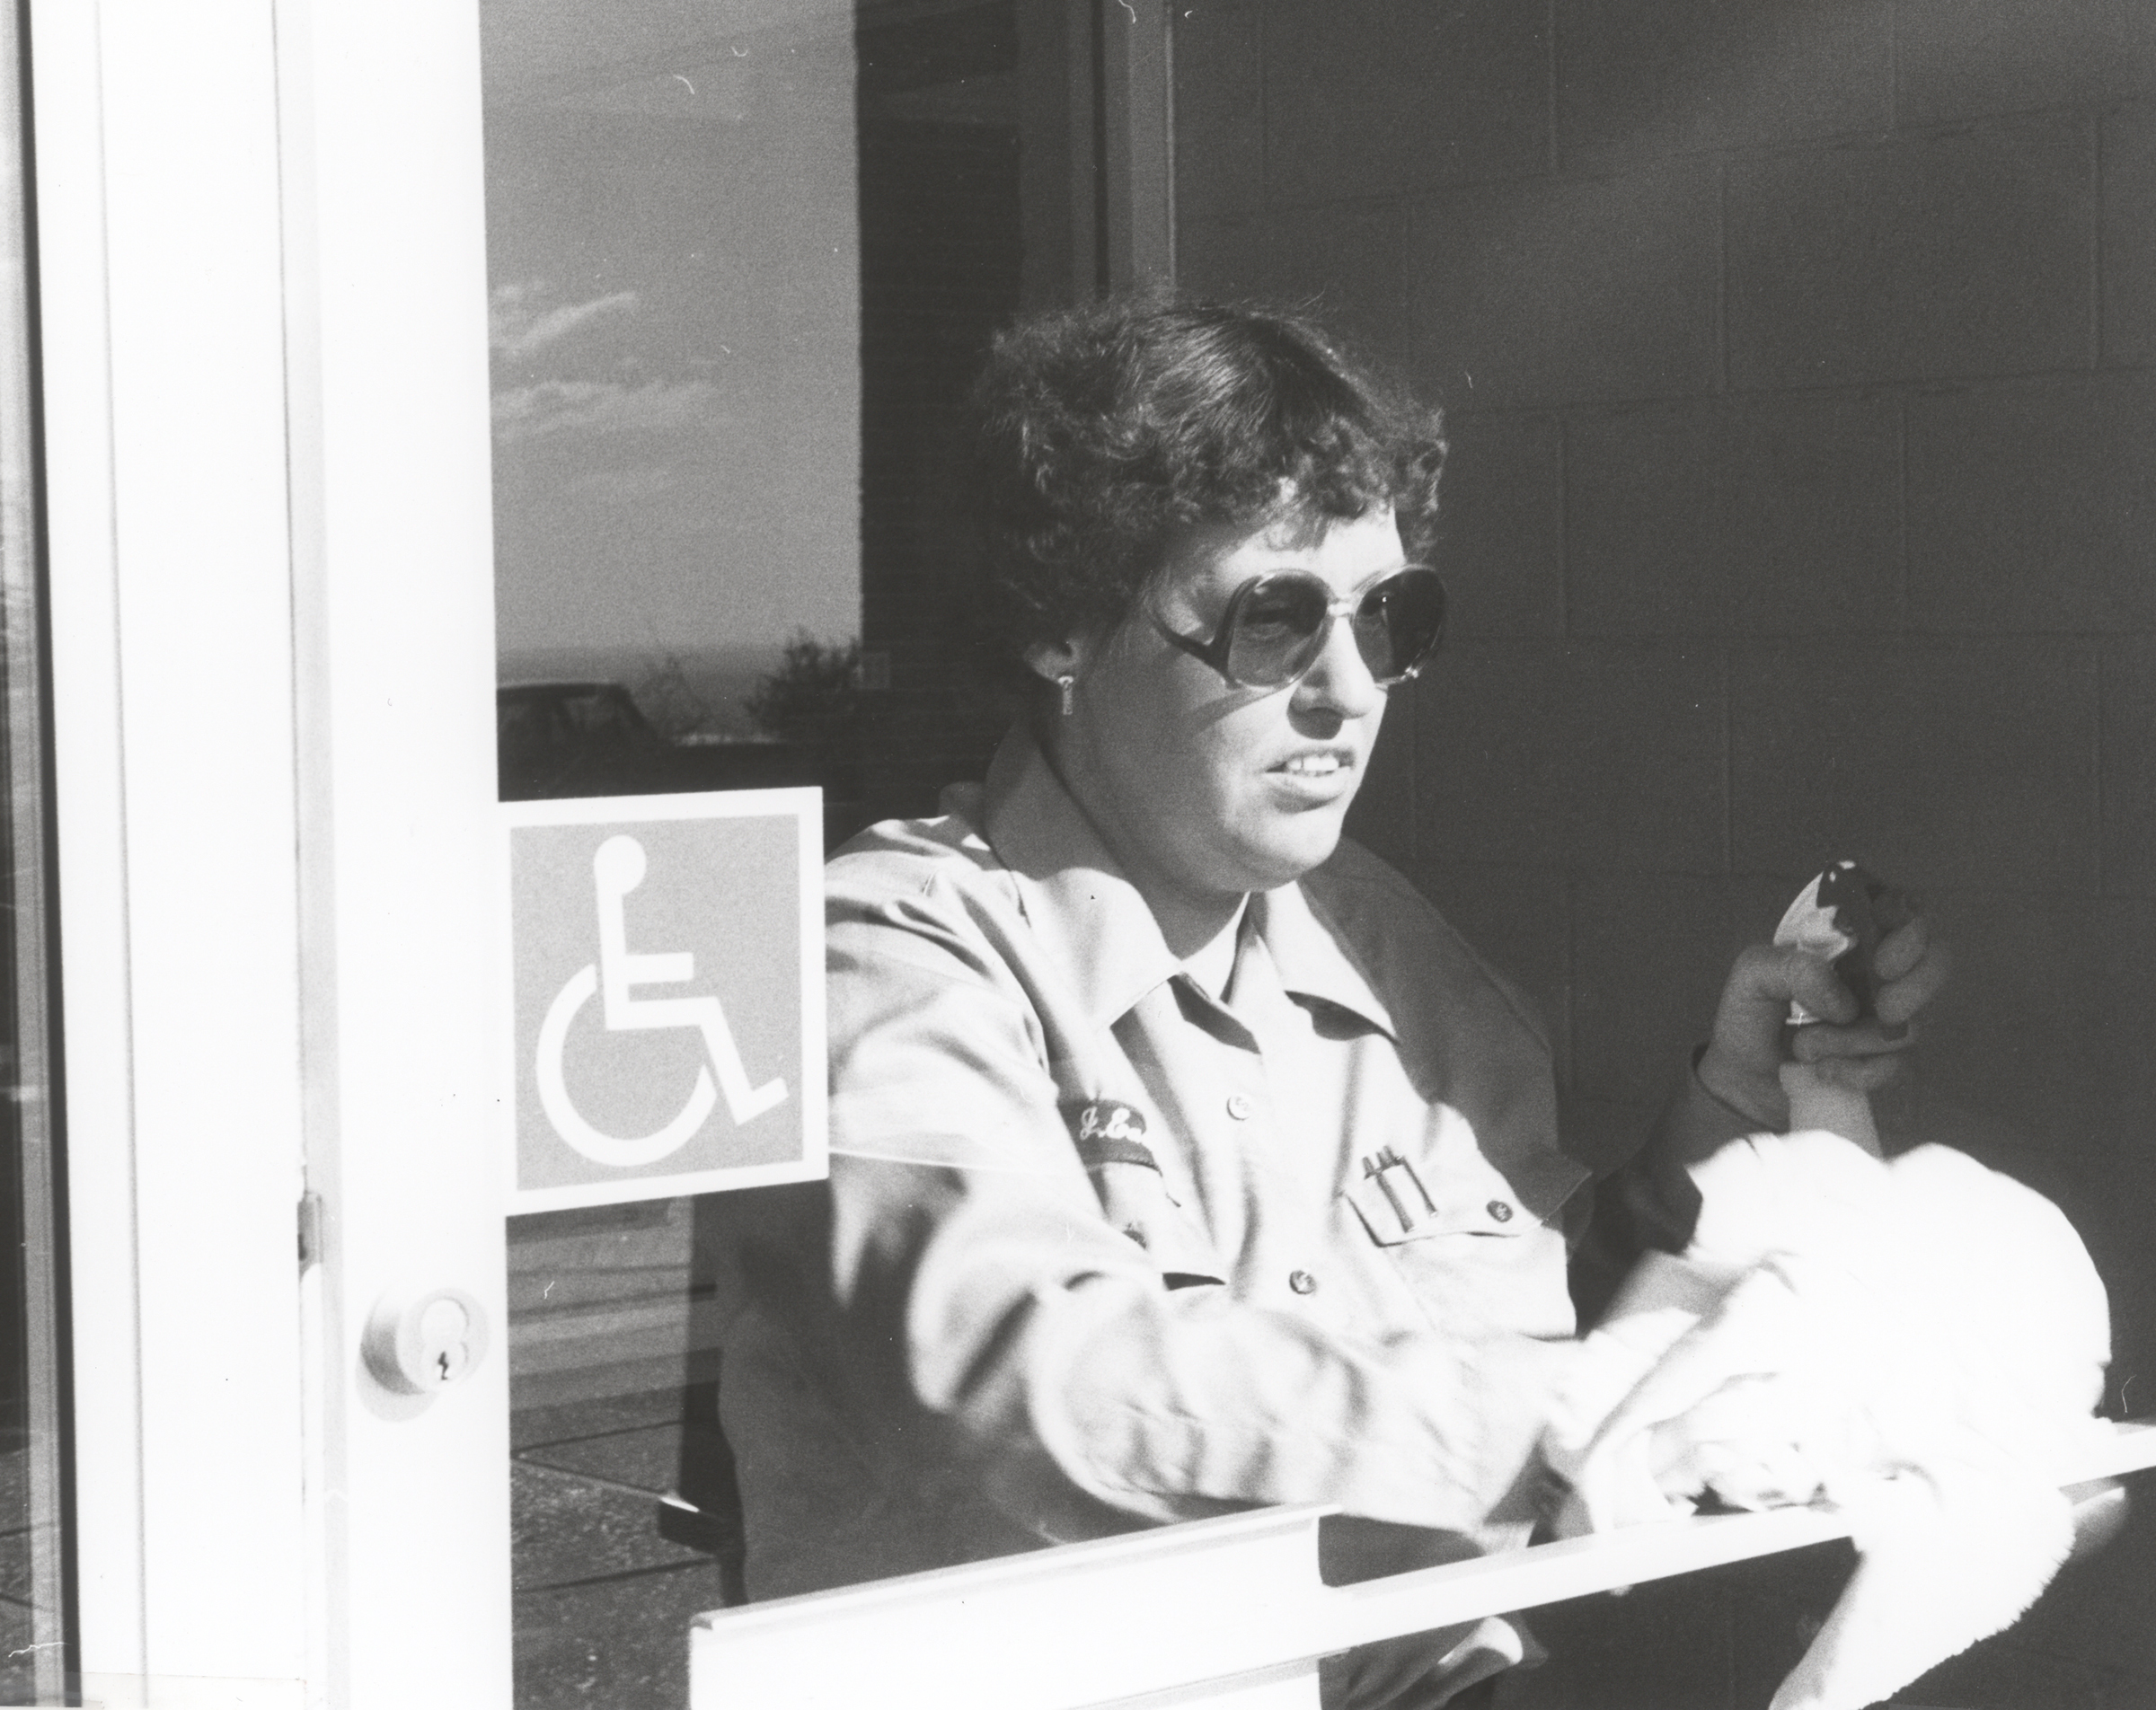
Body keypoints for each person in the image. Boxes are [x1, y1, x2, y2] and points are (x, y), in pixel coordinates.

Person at [707, 299, 1947, 1707]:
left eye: (1389, 617)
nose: (1350, 689)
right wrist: (1581, 1426)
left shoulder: (1370, 938)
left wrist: (1735, 1098)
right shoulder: (891, 953)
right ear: (1064, 626)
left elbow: (1553, 1299)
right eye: (1275, 618)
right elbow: (1028, 1384)